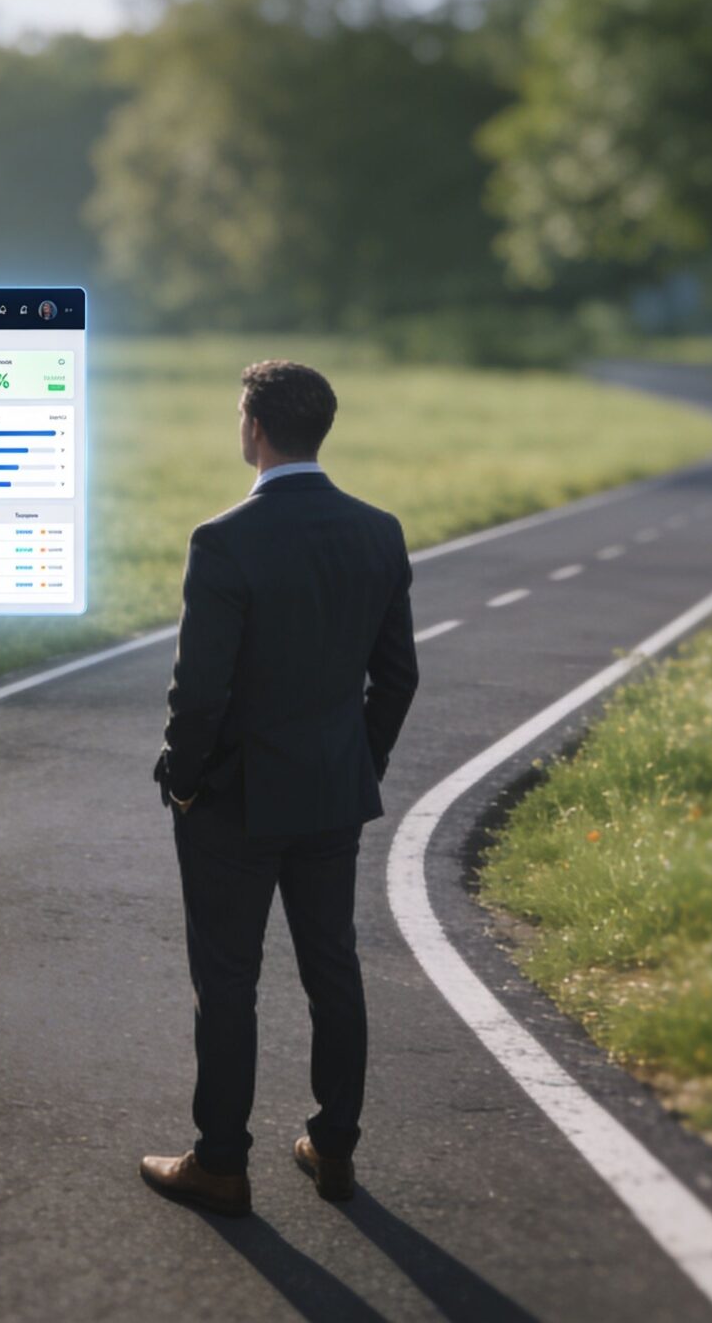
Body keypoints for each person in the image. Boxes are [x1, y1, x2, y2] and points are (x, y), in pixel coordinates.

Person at [138, 359, 419, 1216]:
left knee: (228, 982)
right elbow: (397, 678)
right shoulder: (379, 531)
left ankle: (221, 1162)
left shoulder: (223, 539)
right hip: (332, 795)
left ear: (254, 428)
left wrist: (184, 785)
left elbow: (200, 694)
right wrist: (355, 766)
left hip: (236, 802)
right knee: (332, 967)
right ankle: (333, 1147)